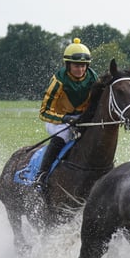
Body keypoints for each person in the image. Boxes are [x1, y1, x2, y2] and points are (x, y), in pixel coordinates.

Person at [36, 38, 98, 188]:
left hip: (80, 119)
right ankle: (41, 175)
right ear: (68, 65)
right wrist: (65, 118)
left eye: (83, 66)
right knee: (63, 136)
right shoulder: (59, 80)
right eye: (76, 66)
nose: (81, 70)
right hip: (57, 120)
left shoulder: (93, 78)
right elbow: (44, 112)